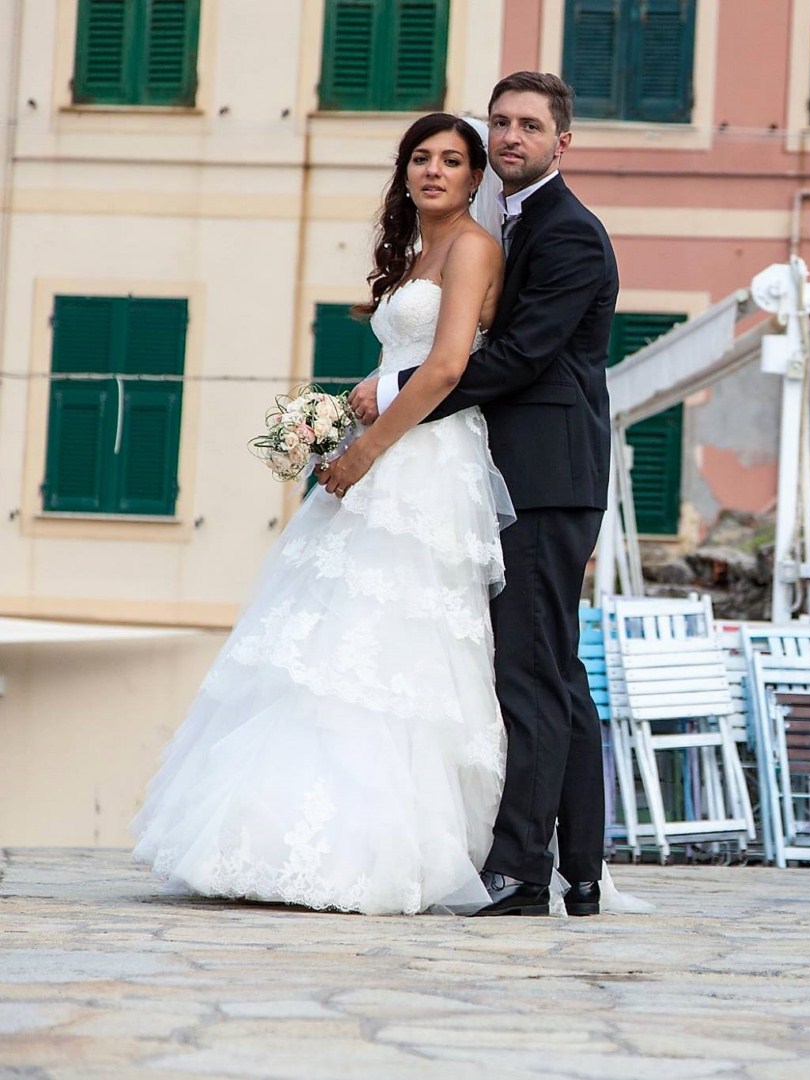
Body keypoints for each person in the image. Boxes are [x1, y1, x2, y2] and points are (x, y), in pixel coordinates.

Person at [132, 113, 510, 914]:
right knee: (319, 638)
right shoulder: (416, 254)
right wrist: (346, 414)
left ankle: (374, 848)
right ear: (405, 172)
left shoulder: (475, 247)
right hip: (384, 438)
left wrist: (369, 449)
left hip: (425, 458)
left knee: (392, 639)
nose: (433, 171)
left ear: (476, 178)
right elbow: (404, 359)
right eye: (420, 159)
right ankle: (270, 835)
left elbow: (447, 366)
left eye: (450, 160)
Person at [339, 72, 617, 918]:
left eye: (528, 126)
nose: (509, 138)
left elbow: (518, 357)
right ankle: (583, 868)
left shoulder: (567, 235)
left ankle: (524, 872)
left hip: (545, 476)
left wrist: (395, 398)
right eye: (500, 123)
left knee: (531, 674)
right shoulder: (515, 222)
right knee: (554, 671)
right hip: (514, 473)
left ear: (561, 143)